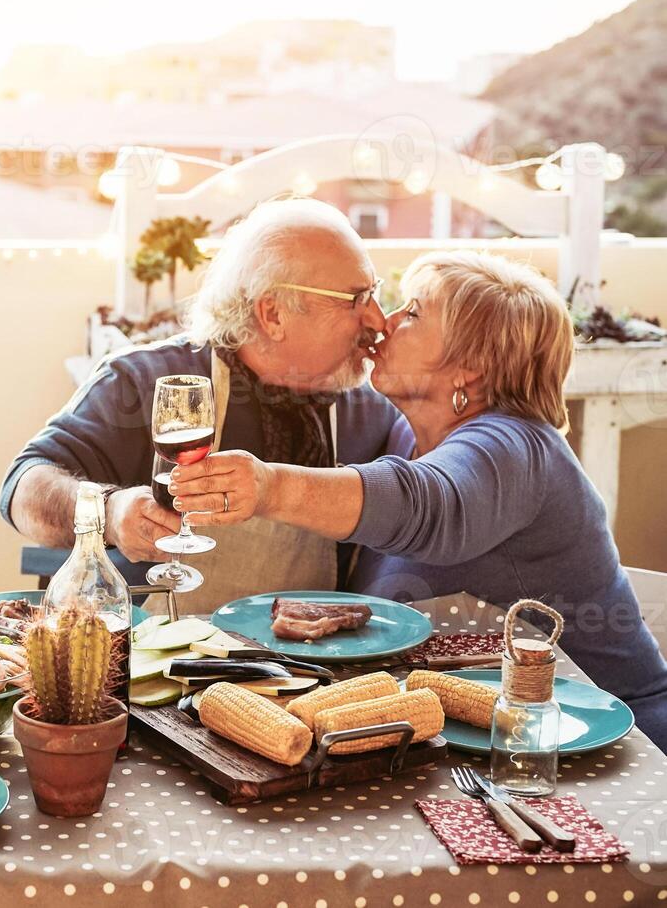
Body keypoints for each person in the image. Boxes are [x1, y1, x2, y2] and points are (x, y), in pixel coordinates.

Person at [171, 251, 667, 747]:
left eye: (412, 313)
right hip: (475, 732)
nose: (384, 322)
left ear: (469, 369)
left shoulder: (515, 449)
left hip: (604, 745)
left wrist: (269, 486)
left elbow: (429, 506)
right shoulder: (410, 434)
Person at [0, 198, 397, 610]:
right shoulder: (147, 382)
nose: (377, 319)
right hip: (156, 665)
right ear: (273, 314)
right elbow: (21, 490)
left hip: (308, 671)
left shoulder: (369, 412)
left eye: (373, 292)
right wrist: (110, 513)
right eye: (354, 299)